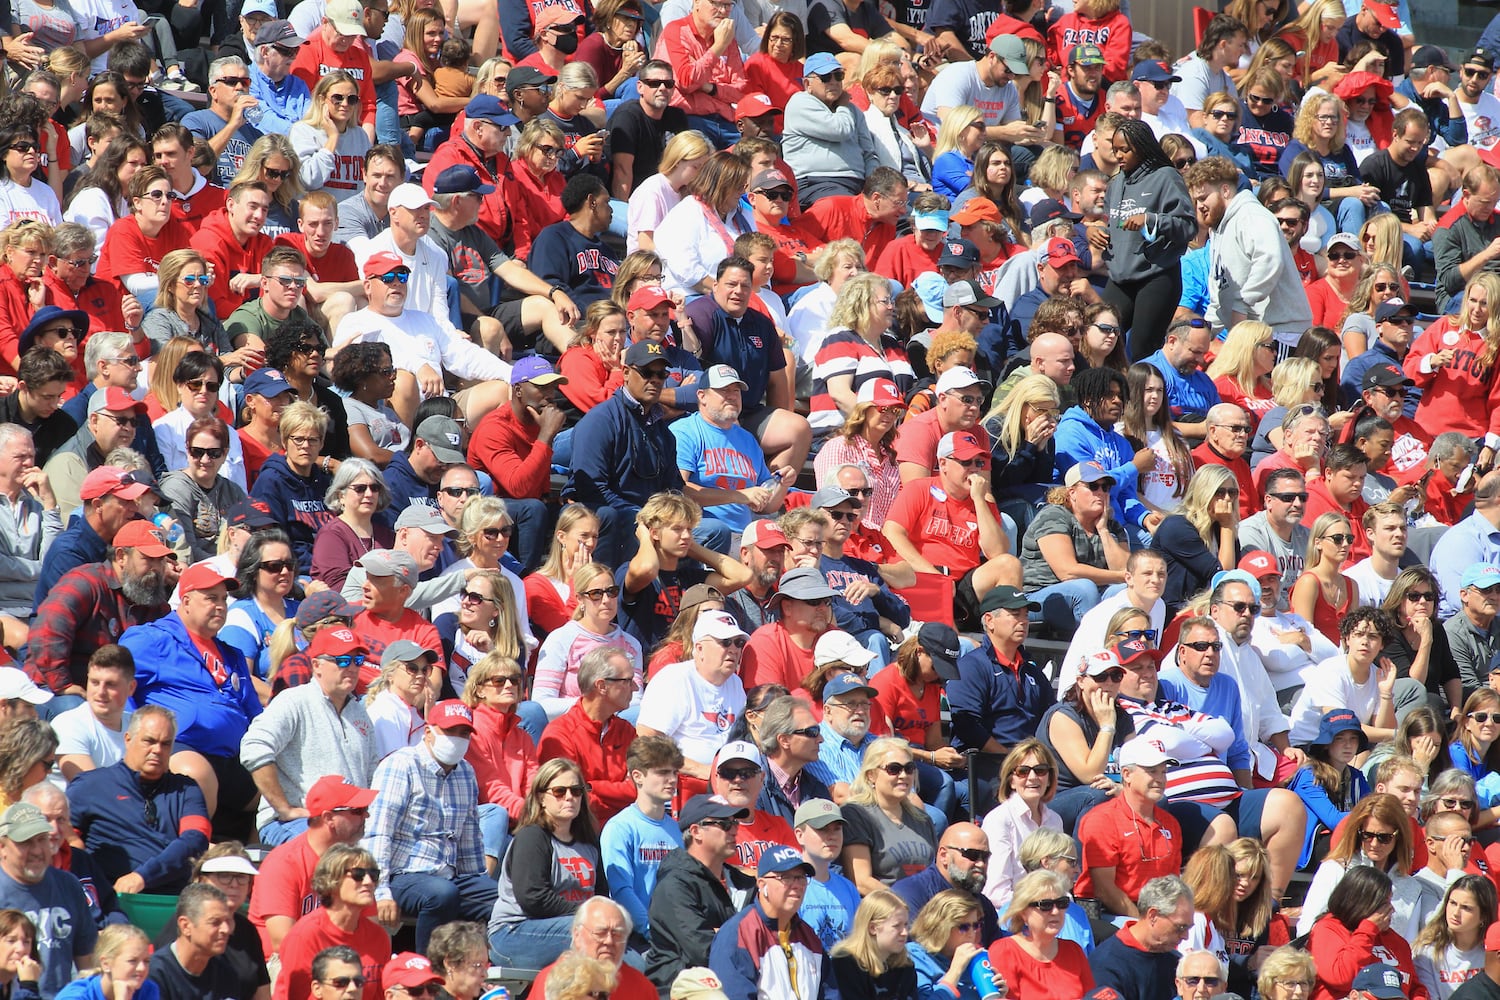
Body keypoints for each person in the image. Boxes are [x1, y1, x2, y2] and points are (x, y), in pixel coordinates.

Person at [121, 559, 261, 832]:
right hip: (179, 748)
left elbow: (254, 713)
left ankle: (252, 865)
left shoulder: (231, 654)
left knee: (275, 781)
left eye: (223, 598)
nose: (220, 605)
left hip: (233, 757)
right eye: (210, 598)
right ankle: (188, 855)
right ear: (185, 602)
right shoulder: (152, 640)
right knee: (196, 773)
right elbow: (119, 683)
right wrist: (130, 742)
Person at [364, 700, 496, 951]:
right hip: (402, 874)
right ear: (428, 732)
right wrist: (379, 892)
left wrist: (480, 883)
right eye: (450, 732)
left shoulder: (466, 771)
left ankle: (477, 974)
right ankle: (428, 973)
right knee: (441, 895)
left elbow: (470, 838)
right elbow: (378, 833)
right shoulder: (401, 765)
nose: (458, 739)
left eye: (464, 733)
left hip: (450, 876)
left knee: (504, 901)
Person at [239, 623, 376, 846]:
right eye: (342, 660)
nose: (351, 667)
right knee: (334, 855)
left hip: (350, 825)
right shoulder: (294, 700)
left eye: (357, 660)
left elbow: (372, 774)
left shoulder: (360, 713)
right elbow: (253, 747)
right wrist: (284, 808)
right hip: (297, 823)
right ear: (317, 664)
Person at [66, 705, 210, 894]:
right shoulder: (90, 786)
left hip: (173, 901)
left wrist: (142, 876)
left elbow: (195, 840)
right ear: (128, 739)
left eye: (165, 743)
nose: (157, 750)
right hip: (112, 902)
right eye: (149, 741)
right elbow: (65, 840)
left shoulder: (186, 789)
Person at [487, 758, 604, 970]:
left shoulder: (590, 842)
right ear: (541, 798)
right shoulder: (532, 837)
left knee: (616, 934)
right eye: (559, 791)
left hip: (576, 926)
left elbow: (600, 895)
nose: (569, 797)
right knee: (595, 933)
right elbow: (534, 899)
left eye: (576, 791)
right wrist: (590, 914)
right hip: (514, 933)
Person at [246, 774, 376, 955]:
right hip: (285, 969)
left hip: (340, 967)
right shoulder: (284, 863)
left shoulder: (355, 863)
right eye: (357, 811)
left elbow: (372, 933)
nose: (366, 815)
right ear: (329, 818)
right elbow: (283, 943)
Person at [643, 794, 744, 993]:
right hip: (680, 988)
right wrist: (741, 936)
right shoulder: (675, 886)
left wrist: (722, 933)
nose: (734, 829)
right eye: (724, 824)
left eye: (735, 822)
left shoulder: (743, 882)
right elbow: (704, 951)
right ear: (696, 832)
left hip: (734, 981)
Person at [636, 611, 748, 786]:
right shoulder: (674, 678)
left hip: (728, 782)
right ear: (700, 648)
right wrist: (701, 770)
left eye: (739, 642)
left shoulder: (735, 683)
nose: (734, 649)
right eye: (725, 642)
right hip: (684, 784)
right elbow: (647, 738)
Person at [709, 844, 831, 1000]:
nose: (796, 885)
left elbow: (830, 993)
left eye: (800, 877)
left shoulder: (809, 936)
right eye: (785, 877)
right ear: (762, 884)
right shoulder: (738, 934)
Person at [272, 843, 390, 1000]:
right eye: (358, 874)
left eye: (373, 875)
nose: (368, 882)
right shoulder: (306, 935)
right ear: (332, 880)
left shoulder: (378, 936)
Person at [147, 882, 244, 1000]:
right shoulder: (155, 973)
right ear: (185, 926)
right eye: (215, 922)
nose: (226, 930)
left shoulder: (226, 973)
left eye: (227, 921)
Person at [1413, 875, 1495, 1000]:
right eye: (1452, 903)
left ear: (1483, 916)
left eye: (1466, 908)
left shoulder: (1493, 953)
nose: (1455, 913)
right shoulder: (1427, 951)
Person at [905, 888, 996, 1000]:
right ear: (941, 928)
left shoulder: (974, 961)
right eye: (964, 927)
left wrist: (999, 995)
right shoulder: (915, 956)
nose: (972, 933)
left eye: (976, 925)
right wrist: (956, 970)